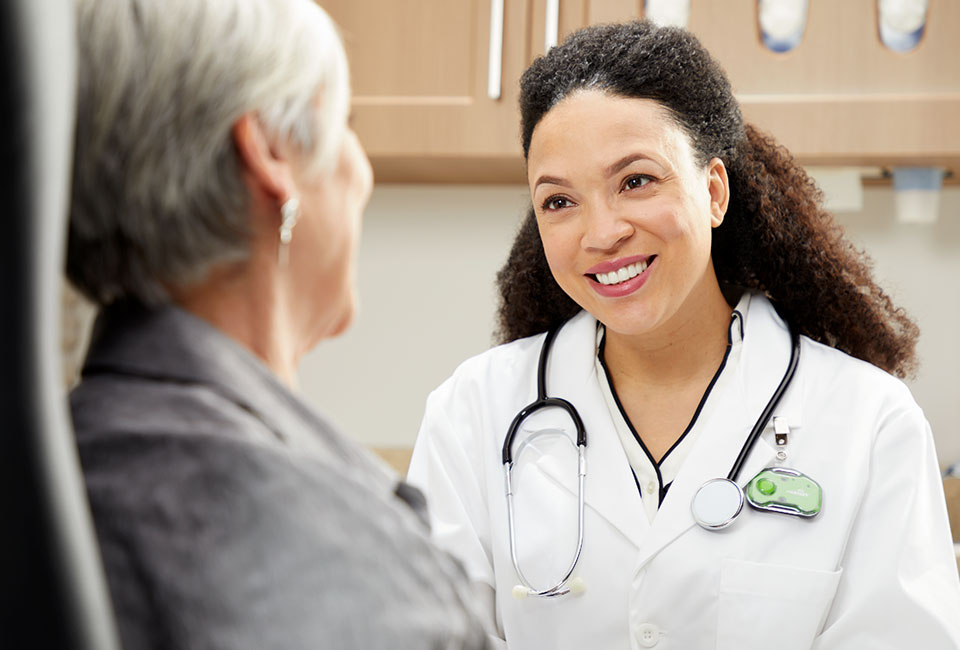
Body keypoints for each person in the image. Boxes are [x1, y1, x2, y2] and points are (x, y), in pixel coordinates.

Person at [407, 20, 960, 650]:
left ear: (714, 190)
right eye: (559, 201)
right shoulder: (473, 412)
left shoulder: (870, 422)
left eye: (636, 181)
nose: (601, 232)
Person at [67, 0, 491, 647]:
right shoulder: (348, 556)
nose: (363, 173)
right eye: (345, 124)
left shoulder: (59, 462)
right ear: (270, 150)